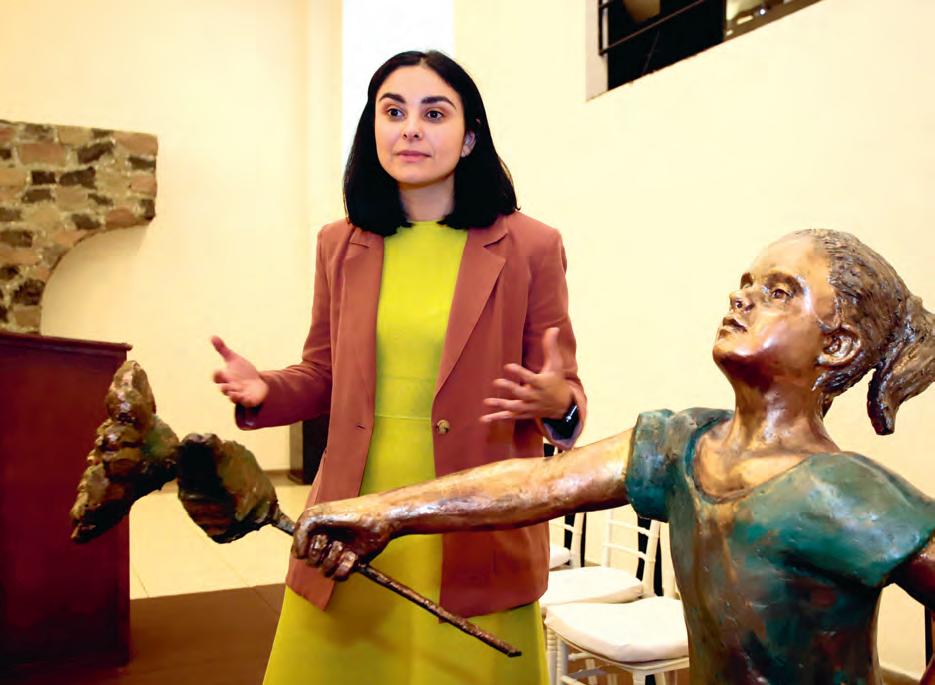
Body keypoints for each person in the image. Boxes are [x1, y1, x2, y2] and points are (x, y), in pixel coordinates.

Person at [292, 229, 935, 684]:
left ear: (838, 346)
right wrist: (384, 511)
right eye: (745, 285)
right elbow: (539, 483)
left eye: (778, 292)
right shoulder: (685, 443)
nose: (741, 299)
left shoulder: (839, 490)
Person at [212, 50, 586, 684]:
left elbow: (566, 390)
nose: (411, 128)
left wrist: (558, 405)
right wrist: (263, 389)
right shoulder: (341, 243)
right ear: (374, 128)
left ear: (469, 137)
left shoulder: (530, 245)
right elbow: (324, 374)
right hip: (353, 518)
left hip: (473, 522)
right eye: (393, 112)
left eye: (434, 114)